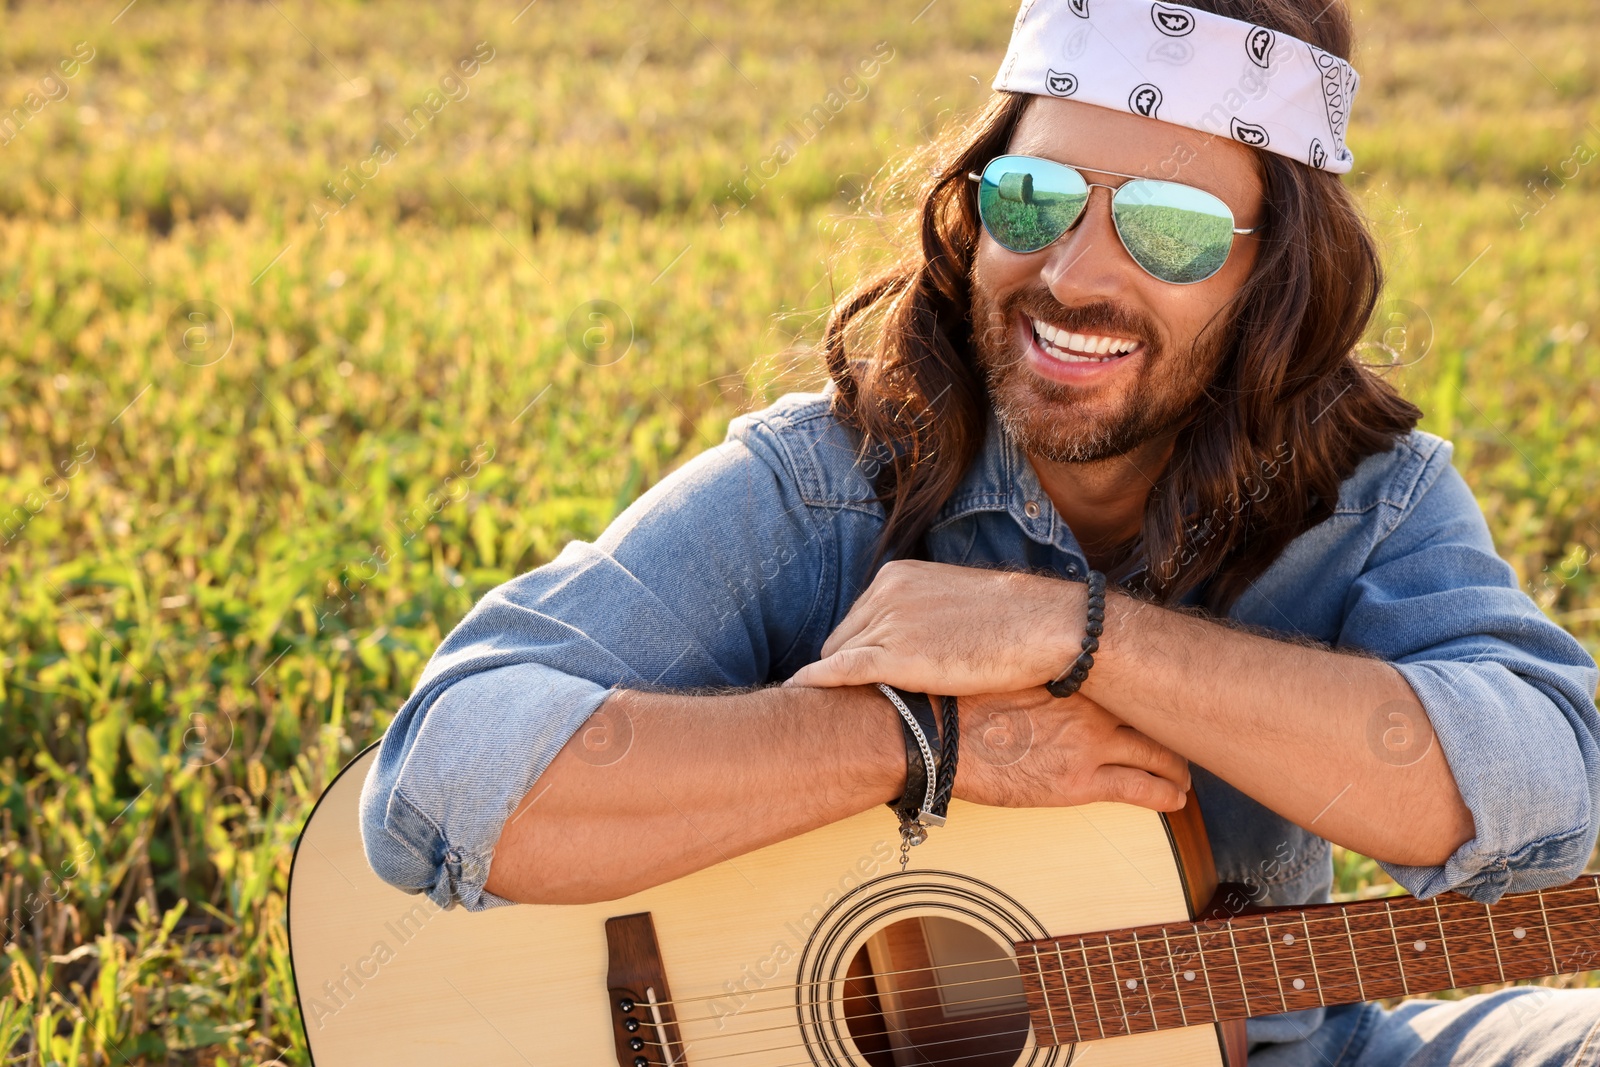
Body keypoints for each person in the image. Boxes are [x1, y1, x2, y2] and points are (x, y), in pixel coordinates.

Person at [357, 0, 1600, 1062]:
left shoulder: (1366, 499)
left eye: (1166, 227)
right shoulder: (828, 479)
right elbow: (446, 783)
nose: (1072, 271)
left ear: (1274, 274)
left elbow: (1553, 788)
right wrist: (918, 742)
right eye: (1032, 195)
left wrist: (1076, 633)